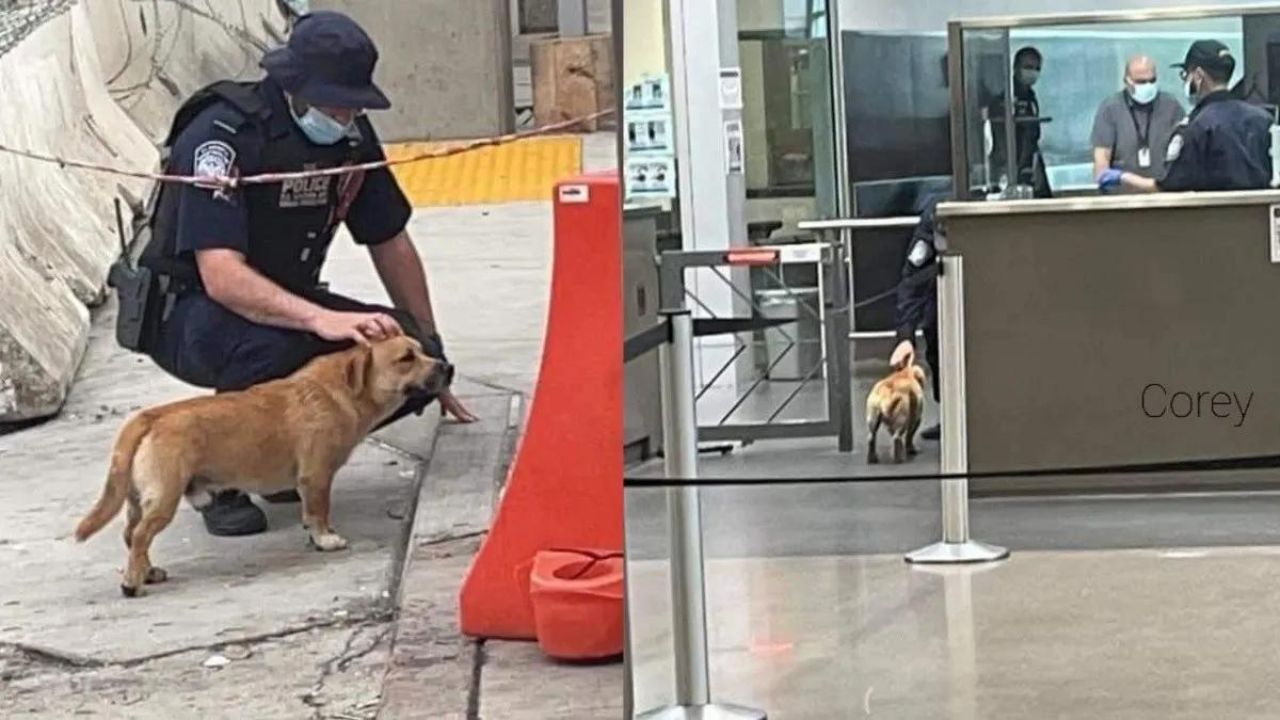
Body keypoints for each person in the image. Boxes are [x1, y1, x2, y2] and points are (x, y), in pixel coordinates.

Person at [135, 11, 478, 537]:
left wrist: (429, 345)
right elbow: (222, 275)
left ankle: (284, 456)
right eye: (334, 101)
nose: (344, 114)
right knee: (272, 348)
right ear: (293, 87)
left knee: (398, 354)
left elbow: (389, 240)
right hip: (192, 311)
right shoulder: (224, 135)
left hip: (287, 298)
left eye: (352, 103)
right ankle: (217, 479)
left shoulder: (350, 137)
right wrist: (321, 320)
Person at [1100, 40, 1273, 193]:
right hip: (1259, 221)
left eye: (1186, 75)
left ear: (1198, 76)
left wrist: (1123, 178)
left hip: (1213, 222)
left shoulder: (1196, 127)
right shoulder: (1262, 119)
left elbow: (1170, 187)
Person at [888, 195, 946, 442]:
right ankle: (949, 414)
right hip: (942, 298)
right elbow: (913, 277)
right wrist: (905, 336)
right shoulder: (934, 215)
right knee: (936, 337)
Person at [1091, 55, 1186, 188]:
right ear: (1127, 81)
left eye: (1152, 80)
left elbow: (1185, 155)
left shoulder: (1171, 106)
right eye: (1141, 82)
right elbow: (1101, 164)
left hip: (1162, 195)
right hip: (1122, 200)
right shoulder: (1110, 109)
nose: (1148, 85)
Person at [991, 46, 1052, 198]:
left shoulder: (1030, 96)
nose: (1033, 73)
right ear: (1016, 67)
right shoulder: (1007, 99)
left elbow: (1032, 135)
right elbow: (1003, 140)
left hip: (1030, 161)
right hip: (1013, 166)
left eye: (1037, 68)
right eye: (1028, 67)